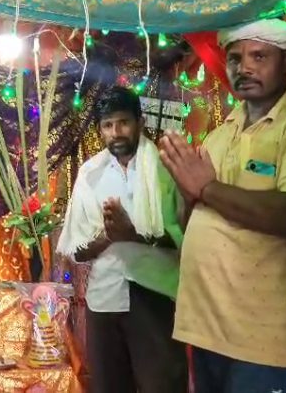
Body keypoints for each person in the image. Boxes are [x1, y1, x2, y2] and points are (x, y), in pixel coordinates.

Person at [160, 19, 286, 392]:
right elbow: (194, 217)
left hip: (272, 340)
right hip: (209, 329)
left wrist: (205, 188)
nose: (245, 67)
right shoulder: (221, 133)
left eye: (259, 56)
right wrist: (190, 195)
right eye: (236, 58)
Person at [57, 86, 187, 393]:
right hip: (105, 297)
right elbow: (77, 250)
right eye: (107, 125)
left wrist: (136, 236)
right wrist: (108, 239)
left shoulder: (166, 169)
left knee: (162, 385)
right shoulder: (90, 174)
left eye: (123, 122)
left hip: (156, 293)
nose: (116, 132)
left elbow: (186, 237)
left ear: (140, 122)